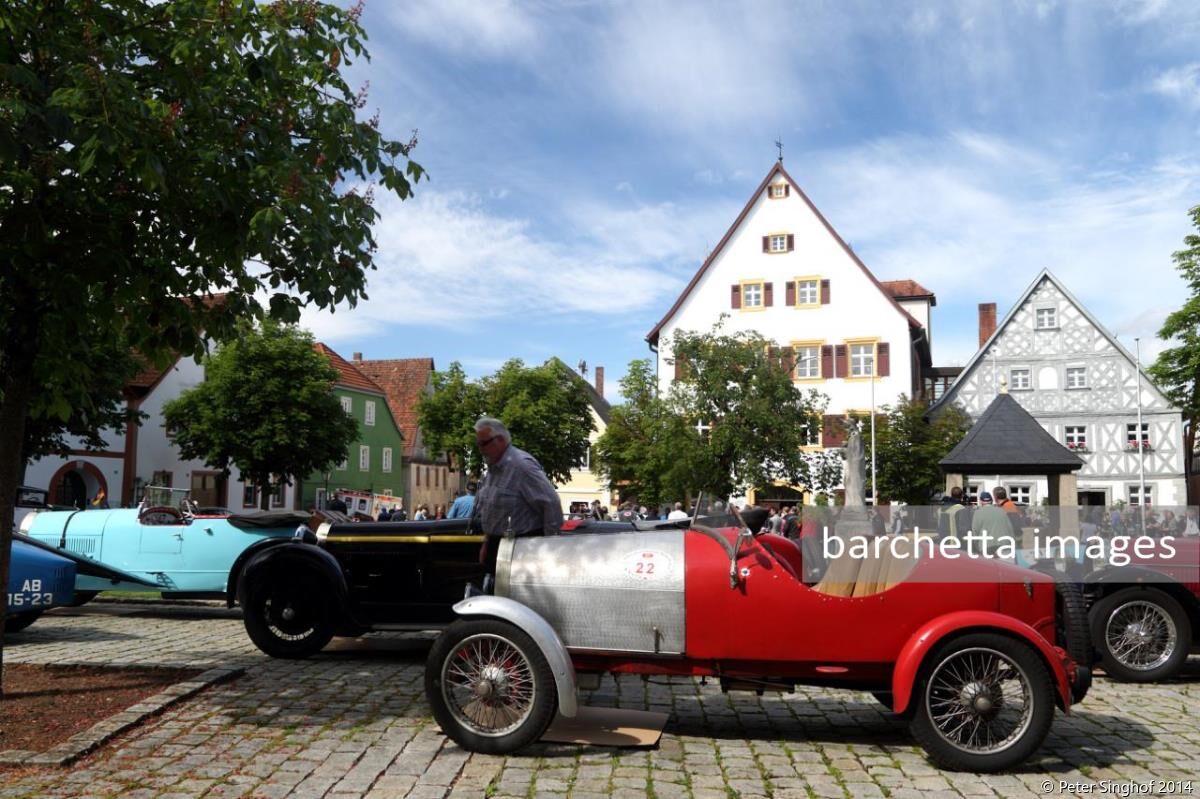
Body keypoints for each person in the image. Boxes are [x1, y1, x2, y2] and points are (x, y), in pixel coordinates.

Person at [474, 416, 562, 575]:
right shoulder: (493, 468)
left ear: (500, 439)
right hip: (497, 547)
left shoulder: (521, 466)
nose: (480, 449)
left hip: (522, 549)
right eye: (478, 444)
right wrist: (487, 543)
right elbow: (494, 512)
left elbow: (551, 503)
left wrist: (549, 548)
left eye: (483, 443)